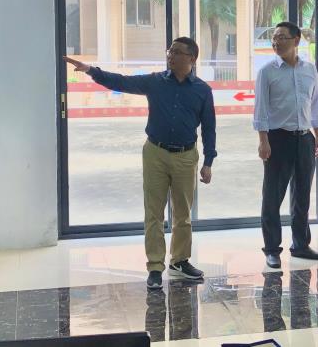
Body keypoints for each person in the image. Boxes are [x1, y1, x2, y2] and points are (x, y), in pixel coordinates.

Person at [64, 37, 216, 291]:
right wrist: (91, 70)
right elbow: (121, 82)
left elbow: (209, 128)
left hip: (186, 156)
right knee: (153, 213)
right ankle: (155, 267)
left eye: (177, 52)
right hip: (155, 153)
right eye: (169, 51)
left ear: (191, 58)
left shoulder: (202, 90)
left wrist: (209, 161)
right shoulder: (155, 81)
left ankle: (179, 261)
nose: (170, 56)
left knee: (183, 214)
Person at [253, 21, 318, 269]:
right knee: (272, 197)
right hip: (277, 139)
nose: (276, 42)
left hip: (305, 139)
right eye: (274, 38)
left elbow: (315, 106)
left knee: (302, 195)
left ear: (296, 40)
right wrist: (263, 141)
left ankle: (301, 245)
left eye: (282, 37)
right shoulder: (267, 72)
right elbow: (261, 110)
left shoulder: (310, 69)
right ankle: (272, 249)